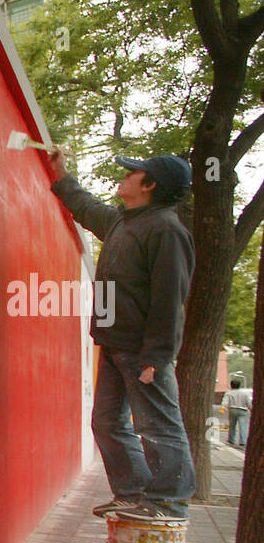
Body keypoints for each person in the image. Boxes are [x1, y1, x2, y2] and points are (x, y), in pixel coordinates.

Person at [45, 148, 197, 521]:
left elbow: (169, 299)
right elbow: (85, 206)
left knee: (158, 425)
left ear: (149, 185)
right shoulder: (123, 222)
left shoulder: (166, 230)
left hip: (143, 352)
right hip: (114, 345)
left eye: (133, 173)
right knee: (106, 422)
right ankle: (132, 493)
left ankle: (168, 503)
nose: (125, 177)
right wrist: (61, 175)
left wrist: (156, 358)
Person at [223, 378, 252, 446]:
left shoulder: (229, 393)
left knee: (232, 426)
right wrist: (251, 409)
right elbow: (248, 403)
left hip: (233, 410)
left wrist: (223, 409)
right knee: (243, 426)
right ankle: (243, 441)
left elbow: (225, 402)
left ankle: (231, 440)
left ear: (231, 385)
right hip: (243, 411)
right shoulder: (244, 394)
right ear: (239, 385)